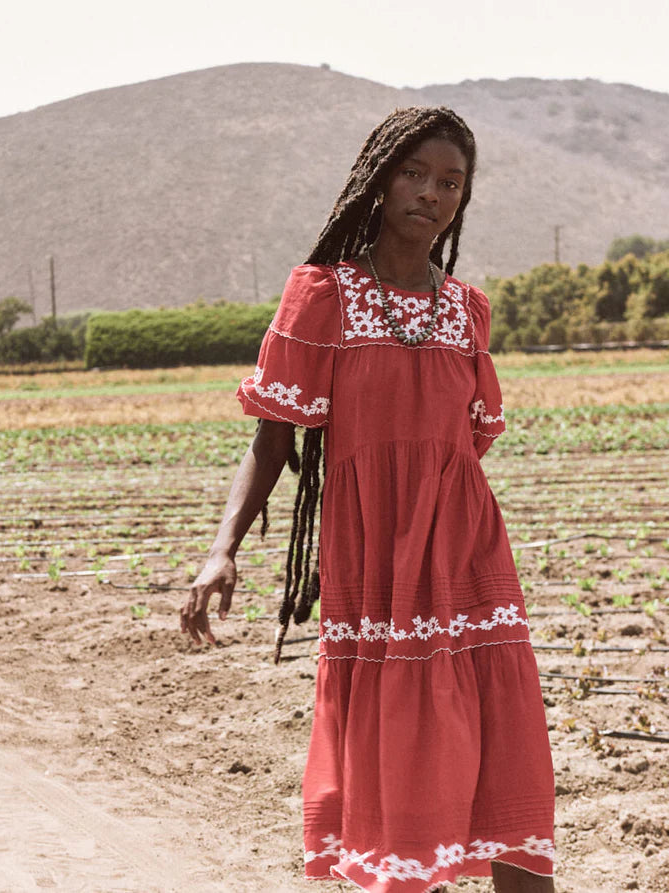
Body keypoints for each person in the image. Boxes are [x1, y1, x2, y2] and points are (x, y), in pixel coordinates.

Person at [180, 106, 556, 892]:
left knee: (504, 744)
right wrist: (223, 549)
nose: (431, 193)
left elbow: (465, 446)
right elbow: (273, 439)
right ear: (379, 180)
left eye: (450, 181)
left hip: (468, 549)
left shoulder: (466, 310)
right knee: (400, 753)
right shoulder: (323, 296)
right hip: (376, 560)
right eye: (414, 174)